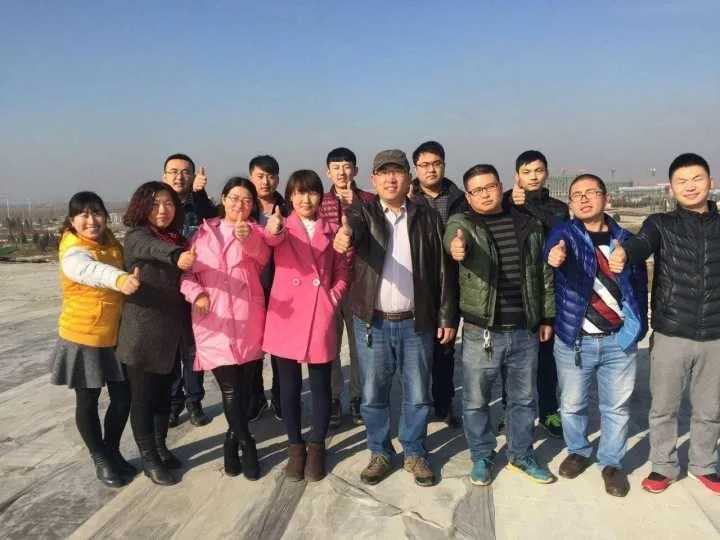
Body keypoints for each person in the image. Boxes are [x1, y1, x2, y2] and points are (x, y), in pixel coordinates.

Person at [334, 149, 458, 487]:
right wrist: (346, 235)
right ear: (373, 179)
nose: (391, 179)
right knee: (373, 394)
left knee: (417, 393)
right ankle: (380, 451)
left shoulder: (427, 217)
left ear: (408, 178)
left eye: (398, 172)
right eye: (384, 173)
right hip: (372, 322)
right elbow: (354, 228)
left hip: (416, 322)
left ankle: (415, 451)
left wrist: (446, 316)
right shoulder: (362, 212)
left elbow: (443, 271)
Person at [610, 153, 720, 495]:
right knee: (664, 408)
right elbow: (642, 243)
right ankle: (663, 466)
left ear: (711, 183)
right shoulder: (660, 223)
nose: (690, 186)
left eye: (697, 179)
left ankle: (704, 464)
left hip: (716, 334)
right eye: (682, 181)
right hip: (672, 330)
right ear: (671, 189)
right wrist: (625, 252)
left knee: (710, 408)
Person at [444, 164, 556, 486]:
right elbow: (454, 238)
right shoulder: (463, 223)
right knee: (476, 400)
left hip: (524, 329)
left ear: (501, 186)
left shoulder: (528, 223)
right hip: (482, 332)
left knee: (523, 399)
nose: (485, 194)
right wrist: (456, 247)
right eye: (477, 190)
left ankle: (521, 454)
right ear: (468, 196)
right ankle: (482, 455)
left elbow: (543, 274)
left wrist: (546, 316)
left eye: (490, 186)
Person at [546, 173, 648, 497]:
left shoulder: (627, 241)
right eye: (577, 194)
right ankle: (578, 450)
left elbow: (639, 288)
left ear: (606, 198)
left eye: (591, 192)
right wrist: (553, 255)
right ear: (570, 203)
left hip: (618, 341)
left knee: (616, 407)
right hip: (575, 340)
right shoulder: (565, 234)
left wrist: (639, 328)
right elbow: (551, 248)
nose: (584, 198)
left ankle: (612, 463)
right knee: (571, 404)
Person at [262, 170, 349, 482]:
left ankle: (316, 446)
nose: (305, 199)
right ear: (290, 196)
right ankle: (295, 446)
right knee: (289, 387)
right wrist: (272, 228)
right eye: (299, 193)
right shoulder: (281, 226)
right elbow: (268, 240)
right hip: (285, 316)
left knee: (321, 386)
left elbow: (343, 269)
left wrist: (332, 298)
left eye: (312, 192)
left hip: (319, 313)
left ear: (320, 197)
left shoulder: (333, 230)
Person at [49, 191, 140, 487]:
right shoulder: (72, 249)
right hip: (83, 335)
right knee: (88, 401)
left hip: (114, 335)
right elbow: (89, 270)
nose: (91, 220)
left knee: (123, 398)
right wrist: (120, 279)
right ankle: (99, 457)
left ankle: (112, 449)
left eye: (97, 213)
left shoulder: (110, 242)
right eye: (84, 215)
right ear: (72, 220)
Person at [180, 177, 269, 480]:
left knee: (243, 390)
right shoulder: (202, 234)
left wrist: (248, 238)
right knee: (230, 389)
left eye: (246, 200)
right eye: (234, 198)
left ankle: (230, 448)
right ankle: (248, 444)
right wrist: (197, 294)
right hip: (213, 321)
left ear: (253, 205)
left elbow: (262, 257)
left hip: (248, 319)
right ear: (223, 198)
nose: (239, 205)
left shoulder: (256, 231)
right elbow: (187, 274)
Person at [116, 181, 197, 486]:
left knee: (164, 396)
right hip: (141, 334)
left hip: (170, 334)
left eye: (168, 204)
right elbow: (152, 248)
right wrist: (177, 255)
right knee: (143, 399)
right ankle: (149, 458)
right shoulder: (137, 236)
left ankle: (161, 447)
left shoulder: (177, 237)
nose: (163, 210)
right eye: (154, 204)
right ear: (142, 208)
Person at [503, 150, 569, 438]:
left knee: (546, 360)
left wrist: (527, 205)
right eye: (526, 172)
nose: (533, 177)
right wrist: (511, 202)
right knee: (511, 361)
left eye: (538, 171)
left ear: (546, 173)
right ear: (517, 175)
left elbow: (560, 229)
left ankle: (549, 411)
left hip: (547, 291)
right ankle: (509, 411)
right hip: (513, 291)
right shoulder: (505, 203)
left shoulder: (557, 208)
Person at [410, 141, 466, 427]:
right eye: (424, 165)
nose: (431, 170)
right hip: (416, 282)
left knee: (445, 348)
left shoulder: (459, 198)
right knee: (417, 350)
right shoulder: (406, 198)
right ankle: (418, 404)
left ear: (444, 164)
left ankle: (444, 403)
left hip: (451, 282)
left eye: (436, 164)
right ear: (415, 168)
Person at [320, 147, 374, 427]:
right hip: (328, 284)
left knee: (359, 345)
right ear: (328, 172)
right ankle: (332, 397)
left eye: (347, 166)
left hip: (360, 283)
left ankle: (357, 396)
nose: (342, 172)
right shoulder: (319, 202)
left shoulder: (369, 201)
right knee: (329, 344)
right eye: (336, 167)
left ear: (356, 170)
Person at [162, 153, 215, 428]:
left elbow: (215, 220)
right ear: (164, 176)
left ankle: (194, 400)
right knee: (172, 348)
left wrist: (201, 193)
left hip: (196, 286)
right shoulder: (157, 206)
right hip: (166, 287)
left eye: (185, 171)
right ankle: (174, 402)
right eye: (173, 171)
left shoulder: (200, 204)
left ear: (193, 176)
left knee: (194, 348)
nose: (179, 176)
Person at [248, 155, 289, 422]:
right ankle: (255, 398)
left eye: (271, 176)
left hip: (281, 286)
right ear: (251, 177)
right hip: (249, 287)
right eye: (260, 176)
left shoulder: (287, 208)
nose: (265, 181)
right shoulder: (243, 206)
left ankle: (280, 397)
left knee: (280, 348)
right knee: (252, 347)